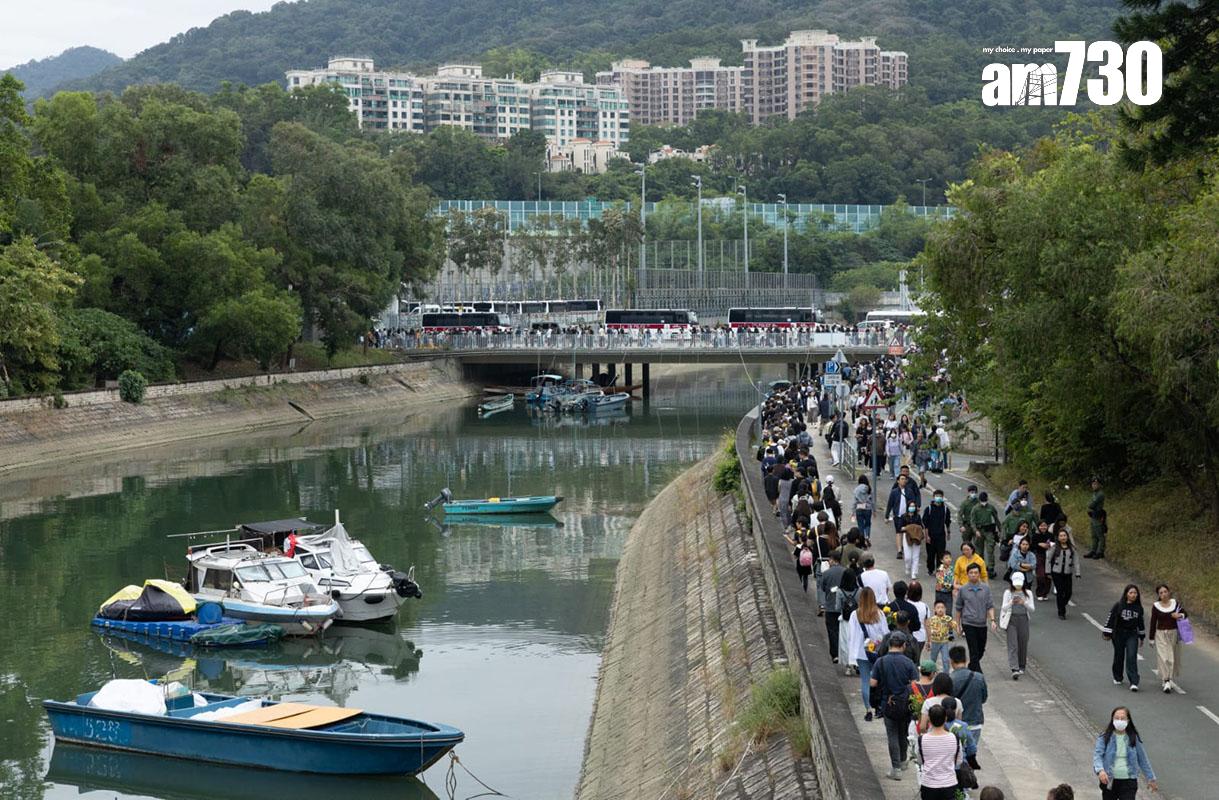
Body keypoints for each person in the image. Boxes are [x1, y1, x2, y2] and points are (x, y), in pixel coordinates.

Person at [870, 631, 919, 780]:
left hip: (888, 703)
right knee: (903, 733)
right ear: (904, 645)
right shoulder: (909, 663)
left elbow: (873, 683)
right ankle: (903, 760)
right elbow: (915, 685)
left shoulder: (881, 662)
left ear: (889, 644)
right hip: (905, 704)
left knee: (892, 734)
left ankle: (896, 768)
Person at [1092, 707, 1157, 798]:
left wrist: (1151, 778)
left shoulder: (1133, 737)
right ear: (1112, 719)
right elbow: (1098, 755)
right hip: (1109, 780)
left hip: (1129, 782)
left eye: (1122, 718)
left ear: (1128, 720)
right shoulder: (1104, 737)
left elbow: (1142, 758)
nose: (1119, 721)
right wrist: (1100, 771)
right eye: (1116, 718)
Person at [846, 587, 890, 720]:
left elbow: (851, 634)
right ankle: (878, 706)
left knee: (865, 680)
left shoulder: (855, 615)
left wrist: (851, 651)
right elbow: (885, 633)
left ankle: (868, 709)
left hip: (861, 651)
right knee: (877, 679)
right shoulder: (879, 614)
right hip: (876, 651)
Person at [953, 563, 997, 673]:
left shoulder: (985, 589)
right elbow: (958, 608)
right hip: (968, 623)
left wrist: (992, 620)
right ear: (967, 574)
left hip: (982, 623)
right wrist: (958, 625)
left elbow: (990, 605)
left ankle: (971, 667)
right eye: (971, 573)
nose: (973, 575)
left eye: (976, 573)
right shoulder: (963, 589)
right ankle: (978, 675)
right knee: (973, 651)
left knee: (980, 650)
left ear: (979, 574)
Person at [1103, 584, 1146, 691]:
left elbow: (1141, 623)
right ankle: (1118, 676)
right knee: (1119, 655)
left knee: (1131, 656)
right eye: (1131, 593)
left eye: (1135, 593)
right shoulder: (1119, 605)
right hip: (1118, 634)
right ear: (1126, 594)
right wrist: (1107, 633)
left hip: (1132, 635)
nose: (1133, 595)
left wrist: (1142, 636)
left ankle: (1134, 681)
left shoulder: (1139, 608)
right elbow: (1111, 618)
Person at [917, 703, 963, 798]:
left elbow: (920, 760)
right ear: (945, 718)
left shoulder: (922, 739)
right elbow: (959, 761)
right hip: (949, 783)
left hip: (929, 783)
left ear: (929, 719)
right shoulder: (954, 738)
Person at [1148, 583, 1187, 693]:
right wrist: (1151, 638)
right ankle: (1166, 680)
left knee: (1171, 658)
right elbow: (1153, 622)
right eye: (1161, 593)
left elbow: (1185, 614)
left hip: (1173, 633)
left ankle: (1168, 678)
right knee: (1163, 657)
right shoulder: (1156, 606)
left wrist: (1179, 615)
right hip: (1160, 634)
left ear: (1169, 592)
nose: (1164, 594)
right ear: (1158, 595)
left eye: (1165, 592)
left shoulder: (1175, 603)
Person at [949, 644, 988, 750]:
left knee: (958, 754)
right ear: (966, 660)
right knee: (971, 754)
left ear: (951, 661)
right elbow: (984, 699)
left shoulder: (950, 680)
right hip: (975, 721)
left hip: (957, 724)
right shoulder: (979, 677)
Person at [1000, 572, 1034, 679]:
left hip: (1023, 619)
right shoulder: (1008, 592)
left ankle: (1022, 665)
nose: (1018, 586)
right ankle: (1014, 668)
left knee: (1023, 643)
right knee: (1013, 644)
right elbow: (1004, 608)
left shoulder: (1028, 593)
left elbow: (1032, 609)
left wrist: (1024, 602)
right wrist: (1011, 602)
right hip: (1011, 619)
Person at [1047, 526, 1082, 619]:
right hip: (1056, 573)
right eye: (1061, 536)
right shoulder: (1055, 547)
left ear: (1067, 537)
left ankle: (1063, 604)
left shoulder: (1072, 548)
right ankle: (1061, 612)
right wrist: (1048, 572)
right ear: (1058, 537)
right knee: (1060, 591)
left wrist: (1077, 573)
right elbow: (1048, 559)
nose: (1063, 537)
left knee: (1068, 592)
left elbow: (1076, 561)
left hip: (1067, 573)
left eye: (1064, 535)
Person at [817, 551, 847, 664]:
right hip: (844, 606)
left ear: (833, 560)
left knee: (832, 630)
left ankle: (835, 654)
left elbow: (823, 588)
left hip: (830, 605)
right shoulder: (846, 572)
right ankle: (844, 652)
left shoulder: (826, 573)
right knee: (843, 630)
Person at [885, 472, 923, 560]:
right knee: (898, 532)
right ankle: (899, 550)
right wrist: (886, 516)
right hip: (897, 515)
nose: (903, 481)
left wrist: (915, 509)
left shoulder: (909, 491)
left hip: (908, 515)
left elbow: (913, 501)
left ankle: (908, 546)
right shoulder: (894, 492)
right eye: (901, 479)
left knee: (908, 531)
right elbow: (890, 504)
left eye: (905, 479)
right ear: (898, 481)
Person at [922, 489, 952, 576]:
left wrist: (948, 532)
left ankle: (939, 570)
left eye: (940, 496)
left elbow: (947, 522)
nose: (938, 498)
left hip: (941, 535)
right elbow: (925, 523)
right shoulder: (929, 509)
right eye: (937, 496)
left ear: (942, 498)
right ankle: (930, 569)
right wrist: (927, 536)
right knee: (930, 554)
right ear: (933, 497)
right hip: (931, 535)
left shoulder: (946, 509)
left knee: (940, 554)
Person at [971, 491, 1001, 575]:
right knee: (979, 551)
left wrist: (1000, 531)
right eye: (982, 500)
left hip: (989, 531)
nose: (984, 502)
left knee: (990, 549)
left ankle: (991, 567)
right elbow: (972, 522)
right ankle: (980, 566)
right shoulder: (975, 509)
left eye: (985, 500)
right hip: (979, 531)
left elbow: (996, 519)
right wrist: (976, 530)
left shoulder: (991, 508)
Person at [927, 599, 960, 673]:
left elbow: (954, 624)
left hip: (944, 641)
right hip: (935, 641)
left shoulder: (947, 618)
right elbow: (929, 630)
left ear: (945, 609)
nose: (940, 609)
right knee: (933, 659)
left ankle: (946, 673)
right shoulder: (932, 619)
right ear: (934, 609)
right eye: (938, 608)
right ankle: (931, 672)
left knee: (946, 659)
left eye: (942, 607)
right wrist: (929, 641)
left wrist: (958, 630)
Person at [1031, 519, 1055, 601]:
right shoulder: (1035, 536)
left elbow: (1054, 544)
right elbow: (1032, 546)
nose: (1043, 527)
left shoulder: (1051, 535)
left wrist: (1049, 545)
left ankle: (1045, 593)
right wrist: (1039, 544)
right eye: (1041, 526)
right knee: (1041, 575)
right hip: (1039, 555)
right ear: (1038, 527)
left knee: (1048, 576)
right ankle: (1039, 592)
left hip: (1049, 556)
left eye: (1044, 525)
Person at [908, 581, 931, 657]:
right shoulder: (925, 606)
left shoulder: (906, 604)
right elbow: (927, 625)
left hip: (907, 637)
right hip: (920, 638)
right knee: (917, 659)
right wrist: (929, 640)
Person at [1085, 477, 1107, 559]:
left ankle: (1100, 551)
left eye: (1096, 484)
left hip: (1098, 516)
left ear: (1100, 485)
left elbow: (1091, 505)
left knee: (1100, 535)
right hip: (1093, 515)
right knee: (1093, 535)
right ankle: (1093, 550)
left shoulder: (1100, 494)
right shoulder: (1094, 493)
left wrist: (1090, 505)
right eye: (1093, 484)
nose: (1094, 486)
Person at [902, 507, 925, 581]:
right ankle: (907, 567)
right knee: (908, 557)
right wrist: (908, 528)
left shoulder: (917, 517)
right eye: (910, 506)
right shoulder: (904, 516)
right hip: (907, 537)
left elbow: (921, 526)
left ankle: (914, 573)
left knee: (915, 556)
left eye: (913, 506)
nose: (912, 508)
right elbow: (900, 527)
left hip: (916, 537)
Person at [854, 475, 874, 545]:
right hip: (868, 508)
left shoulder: (856, 489)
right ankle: (867, 537)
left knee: (860, 524)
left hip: (859, 507)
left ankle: (862, 539)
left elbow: (854, 501)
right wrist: (874, 510)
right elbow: (872, 501)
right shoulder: (869, 489)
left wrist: (853, 511)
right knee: (868, 524)